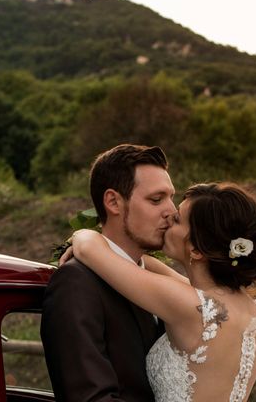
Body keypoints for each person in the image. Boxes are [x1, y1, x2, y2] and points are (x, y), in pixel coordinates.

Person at [69, 182, 256, 402]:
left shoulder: (188, 305)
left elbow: (88, 248)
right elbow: (145, 265)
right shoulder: (255, 315)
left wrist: (82, 233)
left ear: (195, 249)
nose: (168, 218)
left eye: (177, 220)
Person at [41, 144, 177, 401]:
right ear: (113, 202)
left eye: (171, 197)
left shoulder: (158, 281)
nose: (172, 211)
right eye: (156, 200)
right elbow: (90, 397)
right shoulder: (77, 283)